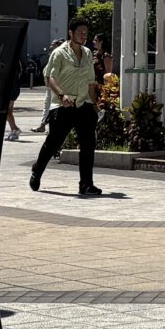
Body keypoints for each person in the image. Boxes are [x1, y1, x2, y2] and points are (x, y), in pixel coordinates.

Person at [25, 18, 104, 197]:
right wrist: (62, 95)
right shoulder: (59, 53)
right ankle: (37, 170)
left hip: (84, 104)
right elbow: (49, 78)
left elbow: (91, 82)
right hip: (63, 106)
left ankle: (86, 184)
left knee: (88, 145)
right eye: (80, 32)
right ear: (71, 33)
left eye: (86, 33)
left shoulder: (88, 53)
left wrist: (96, 105)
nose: (83, 36)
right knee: (54, 143)